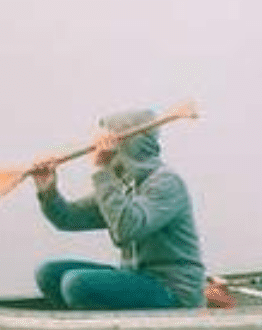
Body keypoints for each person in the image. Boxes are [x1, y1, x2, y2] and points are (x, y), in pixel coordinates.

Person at [31, 108, 207, 310]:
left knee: (76, 284)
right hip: (136, 278)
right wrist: (48, 191)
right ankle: (85, 328)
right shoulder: (123, 184)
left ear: (129, 144)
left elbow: (127, 229)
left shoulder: (166, 182)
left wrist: (102, 171)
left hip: (173, 290)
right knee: (48, 273)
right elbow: (68, 218)